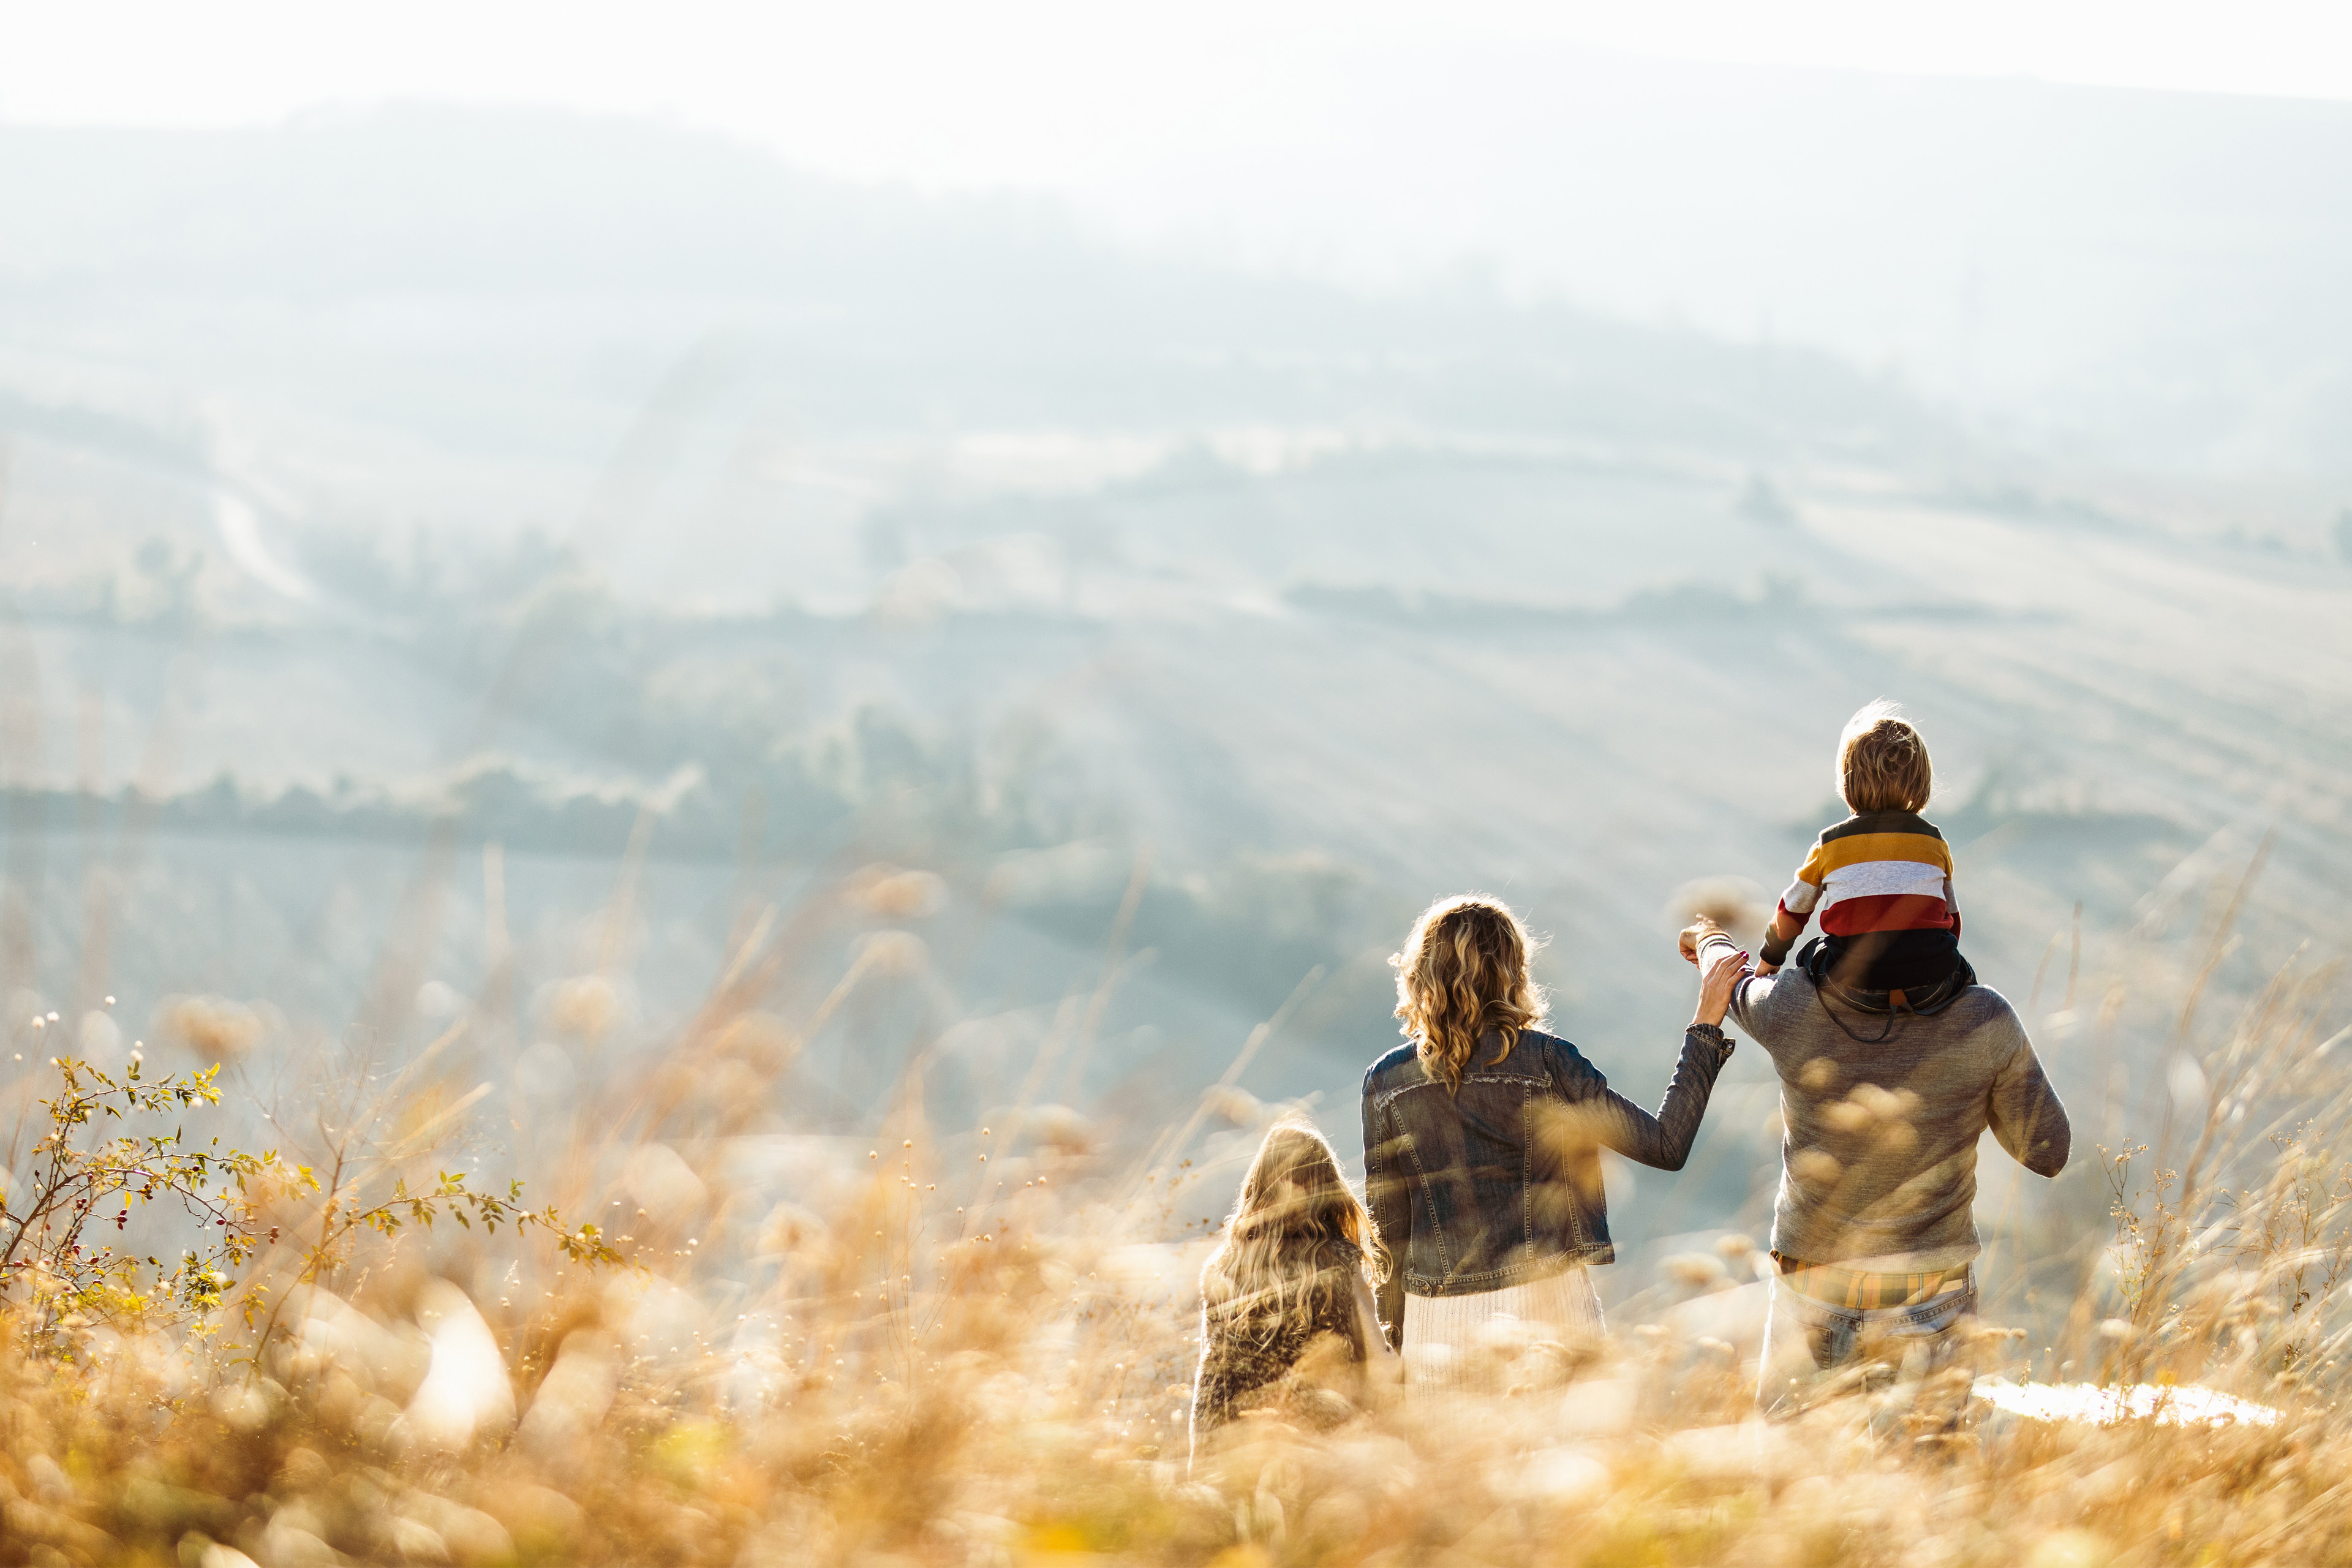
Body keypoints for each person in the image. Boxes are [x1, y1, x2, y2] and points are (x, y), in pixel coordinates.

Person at [1683, 916, 2070, 1412]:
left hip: (1813, 1285)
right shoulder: (1982, 1016)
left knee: (1796, 1481)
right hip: (1933, 1291)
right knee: (1929, 1475)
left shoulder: (1791, 1001)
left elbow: (1727, 975)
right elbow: (2047, 1153)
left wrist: (1705, 934)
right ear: (1946, 919)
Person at [1362, 895, 1744, 1391]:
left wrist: (1395, 1339)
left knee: (1456, 1469)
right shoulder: (1548, 1061)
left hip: (1437, 1325)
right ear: (1513, 973)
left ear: (1420, 974)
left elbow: (1388, 1231)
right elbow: (1666, 1146)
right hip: (1551, 1306)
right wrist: (1706, 1024)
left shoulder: (1386, 1082)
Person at [1190, 1120, 1396, 1464]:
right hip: (1310, 1446)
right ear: (1328, 1189)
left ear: (1258, 1187)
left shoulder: (1222, 1266)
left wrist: (1198, 1462)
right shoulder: (1340, 1262)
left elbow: (1207, 1373)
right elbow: (1380, 1368)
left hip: (1225, 1446)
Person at [1752, 701, 1971, 1008]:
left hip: (1853, 989)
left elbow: (1792, 911)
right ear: (1921, 780)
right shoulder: (1933, 841)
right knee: (1964, 974)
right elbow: (1951, 918)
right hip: (1930, 986)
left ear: (1848, 780)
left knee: (1811, 955)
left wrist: (1769, 959)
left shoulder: (1830, 844)